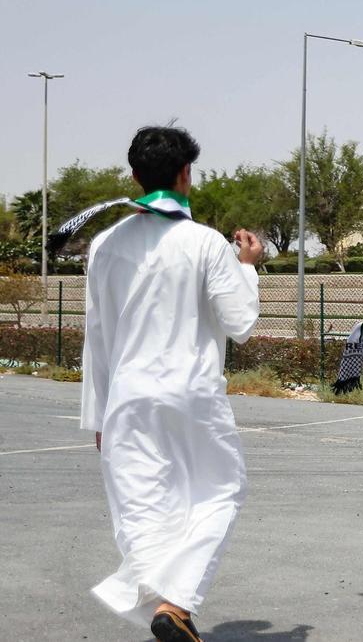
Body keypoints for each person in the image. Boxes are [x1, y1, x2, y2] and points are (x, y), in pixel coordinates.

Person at [79, 126, 263, 641]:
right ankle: (175, 603)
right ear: (186, 174)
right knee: (220, 491)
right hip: (192, 392)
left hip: (127, 398)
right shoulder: (204, 242)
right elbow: (240, 323)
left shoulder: (104, 244)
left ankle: (166, 605)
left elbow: (97, 335)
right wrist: (247, 267)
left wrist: (97, 414)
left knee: (145, 506)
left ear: (135, 176)